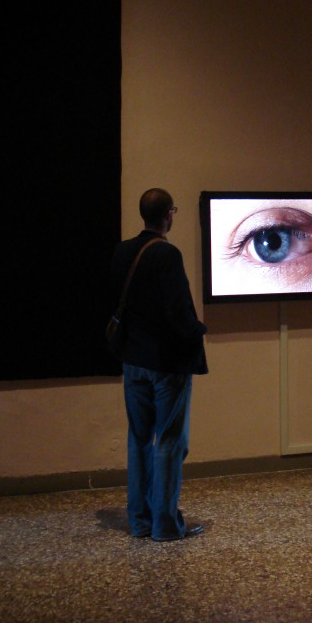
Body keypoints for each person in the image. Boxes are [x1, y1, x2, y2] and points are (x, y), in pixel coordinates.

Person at [109, 188, 208, 541]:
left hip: (133, 362)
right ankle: (165, 525)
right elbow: (178, 311)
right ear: (168, 215)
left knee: (139, 440)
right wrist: (199, 330)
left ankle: (139, 521)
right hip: (166, 364)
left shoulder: (122, 251)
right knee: (168, 441)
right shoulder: (167, 254)